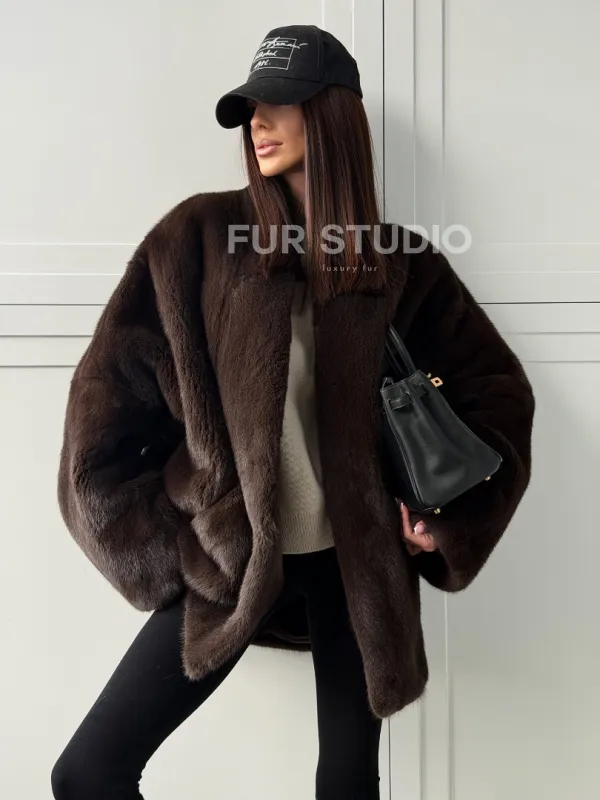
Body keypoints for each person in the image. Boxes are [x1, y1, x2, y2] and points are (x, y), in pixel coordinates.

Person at [51, 24, 535, 800]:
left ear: (333, 113)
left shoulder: (400, 261)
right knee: (88, 772)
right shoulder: (196, 241)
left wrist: (445, 519)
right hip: (233, 556)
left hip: (358, 565)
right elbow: (103, 414)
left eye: (280, 103)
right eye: (250, 108)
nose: (258, 122)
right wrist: (168, 549)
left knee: (346, 784)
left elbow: (497, 394)